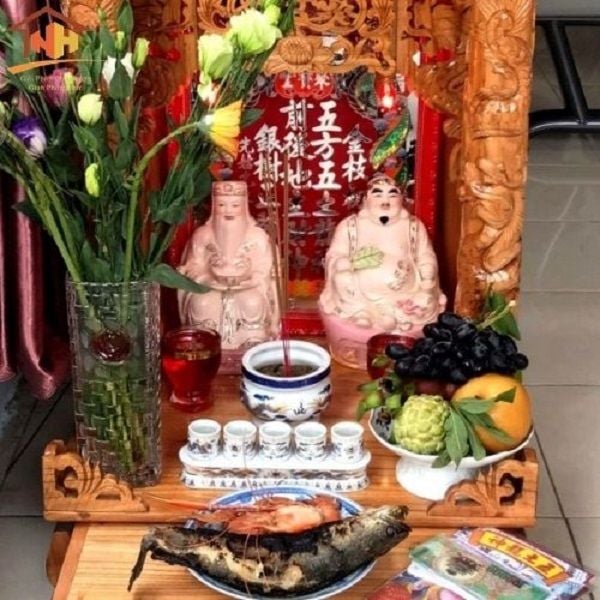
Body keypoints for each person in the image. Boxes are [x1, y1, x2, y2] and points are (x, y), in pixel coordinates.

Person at [320, 174, 445, 336]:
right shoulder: (349, 226)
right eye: (378, 195)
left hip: (406, 291)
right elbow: (336, 253)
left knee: (425, 298)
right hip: (359, 292)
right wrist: (341, 261)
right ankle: (361, 311)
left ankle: (398, 316)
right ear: (366, 200)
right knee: (341, 278)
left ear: (401, 200)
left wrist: (427, 267)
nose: (385, 202)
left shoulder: (413, 226)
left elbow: (425, 253)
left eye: (392, 196)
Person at [178, 181, 279, 349]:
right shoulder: (202, 235)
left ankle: (251, 341)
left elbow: (265, 267)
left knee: (252, 303)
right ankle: (205, 343)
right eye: (222, 205)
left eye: (235, 205)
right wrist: (208, 276)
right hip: (210, 286)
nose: (228, 211)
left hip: (248, 287)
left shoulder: (257, 236)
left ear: (244, 206)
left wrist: (252, 276)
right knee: (201, 303)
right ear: (214, 207)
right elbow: (192, 266)